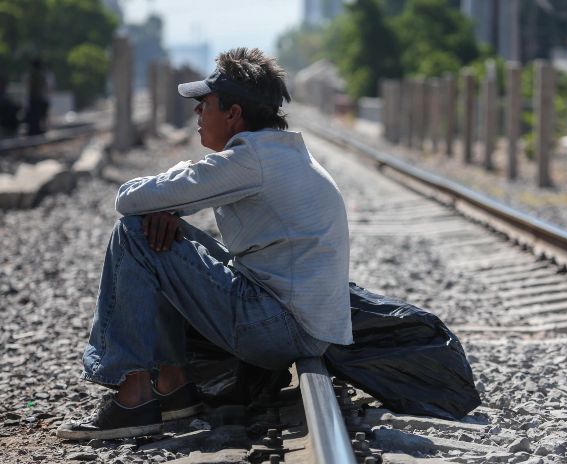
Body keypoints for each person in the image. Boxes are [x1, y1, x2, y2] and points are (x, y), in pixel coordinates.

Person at [57, 47, 353, 440]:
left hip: (279, 327)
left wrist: (174, 186)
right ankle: (174, 388)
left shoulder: (248, 160)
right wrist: (166, 208)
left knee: (134, 232)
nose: (197, 112)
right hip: (302, 326)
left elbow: (127, 199)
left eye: (205, 104)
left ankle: (134, 397)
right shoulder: (278, 151)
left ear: (233, 114)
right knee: (160, 233)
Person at [26, 58, 49, 136]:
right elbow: (44, 86)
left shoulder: (32, 74)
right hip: (37, 98)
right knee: (37, 115)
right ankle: (36, 129)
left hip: (33, 98)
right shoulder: (39, 75)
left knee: (34, 115)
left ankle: (34, 129)